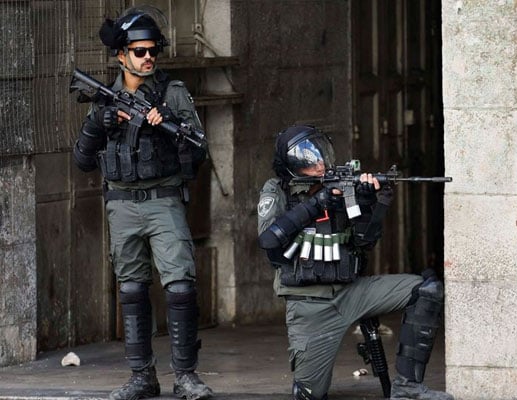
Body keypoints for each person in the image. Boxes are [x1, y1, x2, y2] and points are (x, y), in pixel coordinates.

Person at [72, 6, 213, 400]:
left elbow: (199, 155)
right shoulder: (104, 99)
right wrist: (99, 123)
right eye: (139, 51)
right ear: (121, 55)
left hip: (163, 201)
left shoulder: (173, 94)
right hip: (121, 205)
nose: (147, 57)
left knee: (181, 286)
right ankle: (142, 376)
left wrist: (169, 127)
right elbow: (82, 161)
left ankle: (185, 376)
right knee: (132, 289)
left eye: (152, 50)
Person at [257, 125, 454, 400]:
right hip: (309, 304)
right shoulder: (277, 190)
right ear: (293, 164)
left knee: (426, 290)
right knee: (309, 394)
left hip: (354, 292)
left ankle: (407, 387)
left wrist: (373, 203)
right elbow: (269, 242)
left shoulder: (340, 189)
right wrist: (317, 204)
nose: (320, 163)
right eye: (310, 159)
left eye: (321, 155)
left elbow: (364, 242)